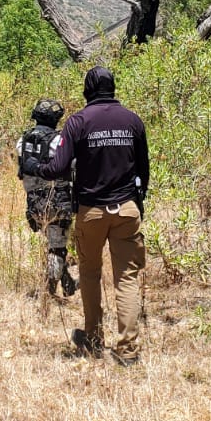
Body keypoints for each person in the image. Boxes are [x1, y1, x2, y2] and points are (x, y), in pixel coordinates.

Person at [26, 66, 149, 364]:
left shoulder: (78, 121)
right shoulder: (132, 120)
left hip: (91, 211)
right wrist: (138, 201)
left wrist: (35, 168)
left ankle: (93, 338)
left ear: (87, 90)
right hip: (127, 209)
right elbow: (143, 169)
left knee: (91, 274)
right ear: (113, 87)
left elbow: (58, 168)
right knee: (127, 278)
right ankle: (128, 350)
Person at [16, 97, 78, 299]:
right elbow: (70, 166)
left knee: (53, 242)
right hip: (57, 198)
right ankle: (49, 292)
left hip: (33, 202)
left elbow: (21, 170)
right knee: (57, 247)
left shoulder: (22, 140)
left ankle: (67, 283)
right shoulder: (58, 141)